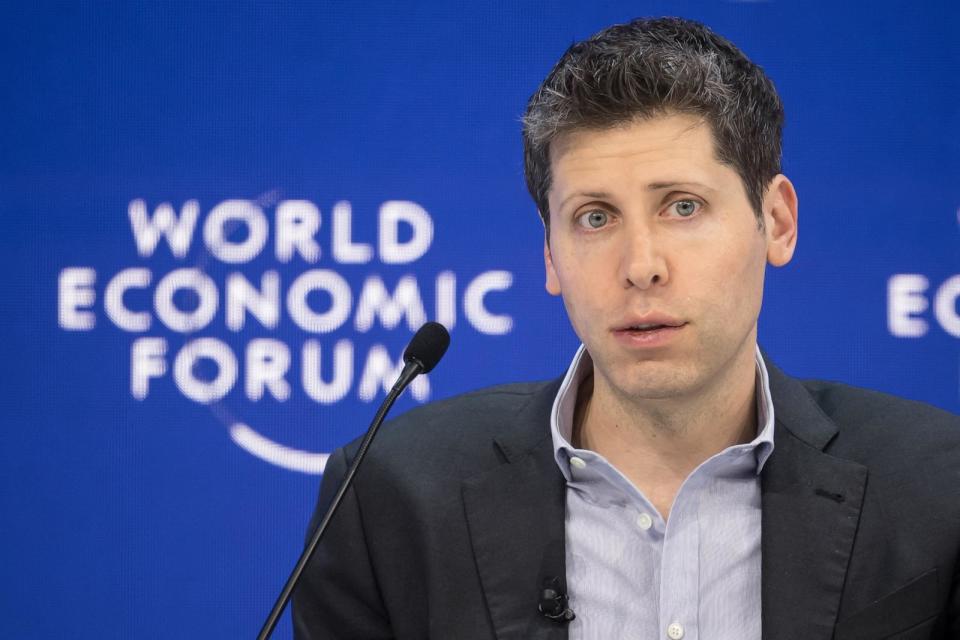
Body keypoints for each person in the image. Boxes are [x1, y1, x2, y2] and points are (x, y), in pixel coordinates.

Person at [293, 16, 960, 639]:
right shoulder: (389, 496)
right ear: (550, 254)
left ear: (777, 222)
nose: (641, 266)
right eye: (595, 217)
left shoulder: (935, 486)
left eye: (682, 206)